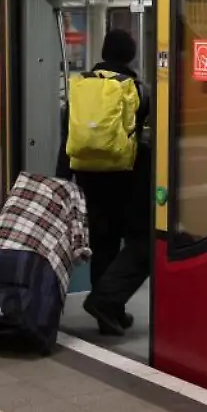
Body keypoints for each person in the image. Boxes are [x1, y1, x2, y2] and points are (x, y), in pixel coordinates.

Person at [56, 28, 151, 336]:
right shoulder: (136, 88)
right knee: (143, 244)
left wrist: (63, 180)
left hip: (86, 177)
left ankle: (109, 315)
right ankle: (106, 301)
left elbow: (69, 136)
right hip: (126, 178)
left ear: (103, 52)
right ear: (131, 55)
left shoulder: (81, 86)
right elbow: (142, 136)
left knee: (103, 243)